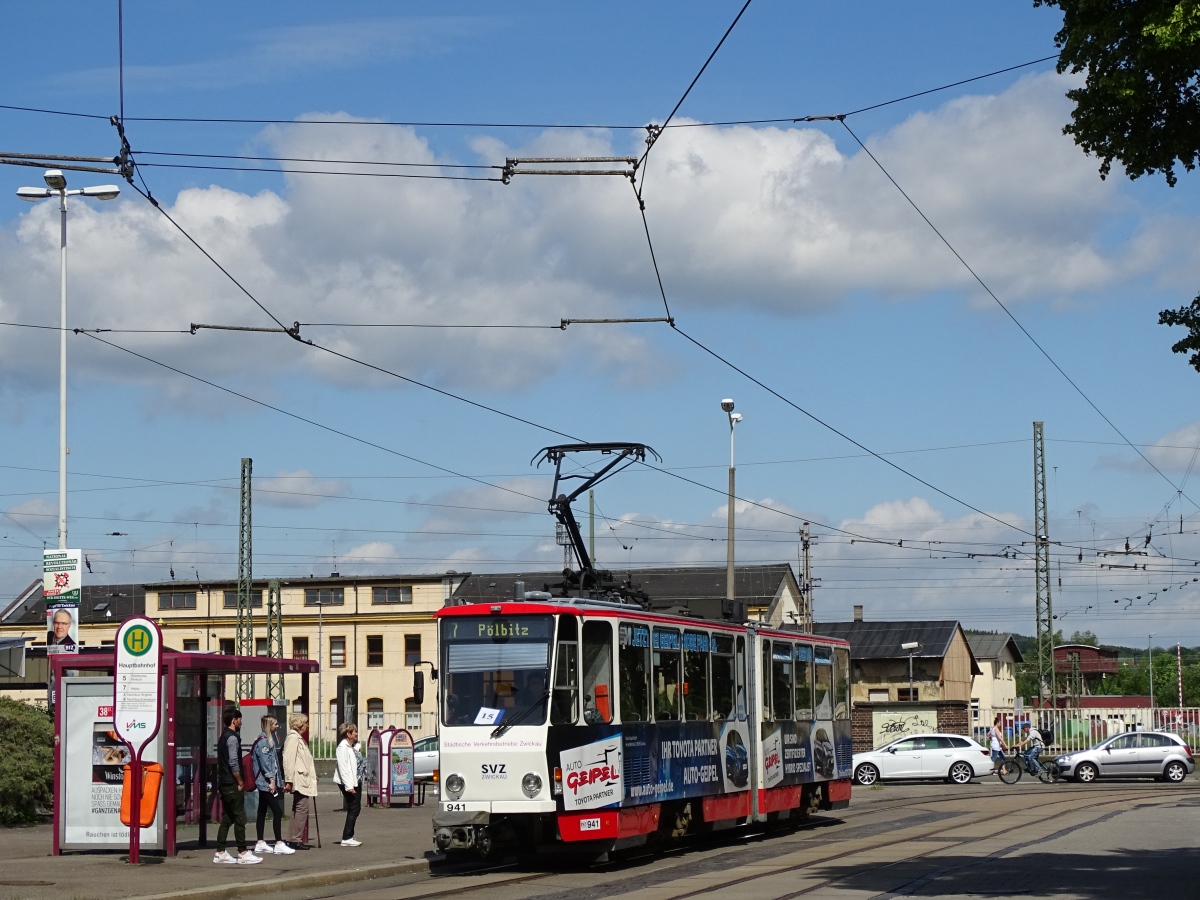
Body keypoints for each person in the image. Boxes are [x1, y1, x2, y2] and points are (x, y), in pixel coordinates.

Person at [213, 707, 261, 865]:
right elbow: (233, 762)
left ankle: (220, 851)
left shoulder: (223, 736)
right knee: (240, 818)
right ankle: (243, 852)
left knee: (228, 817)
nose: (241, 723)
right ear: (234, 720)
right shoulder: (232, 738)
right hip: (232, 783)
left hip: (224, 781)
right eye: (239, 720)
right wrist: (240, 781)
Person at [252, 715, 294, 856]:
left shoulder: (267, 740)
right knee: (277, 811)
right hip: (265, 783)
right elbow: (265, 763)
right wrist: (271, 780)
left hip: (264, 782)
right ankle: (279, 843)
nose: (277, 726)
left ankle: (260, 842)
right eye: (275, 724)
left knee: (262, 810)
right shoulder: (264, 742)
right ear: (269, 726)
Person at [283, 713, 318, 850]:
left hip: (302, 777)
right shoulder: (293, 738)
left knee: (298, 808)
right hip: (298, 779)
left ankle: (292, 838)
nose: (307, 725)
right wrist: (289, 780)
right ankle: (295, 839)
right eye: (305, 723)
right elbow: (288, 759)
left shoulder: (298, 738)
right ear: (299, 724)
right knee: (302, 808)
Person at [333, 722, 363, 847]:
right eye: (354, 732)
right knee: (354, 808)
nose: (356, 734)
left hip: (355, 781)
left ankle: (349, 835)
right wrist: (349, 786)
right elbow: (343, 768)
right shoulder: (342, 748)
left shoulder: (351, 747)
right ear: (348, 734)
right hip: (349, 782)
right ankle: (347, 837)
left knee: (355, 808)